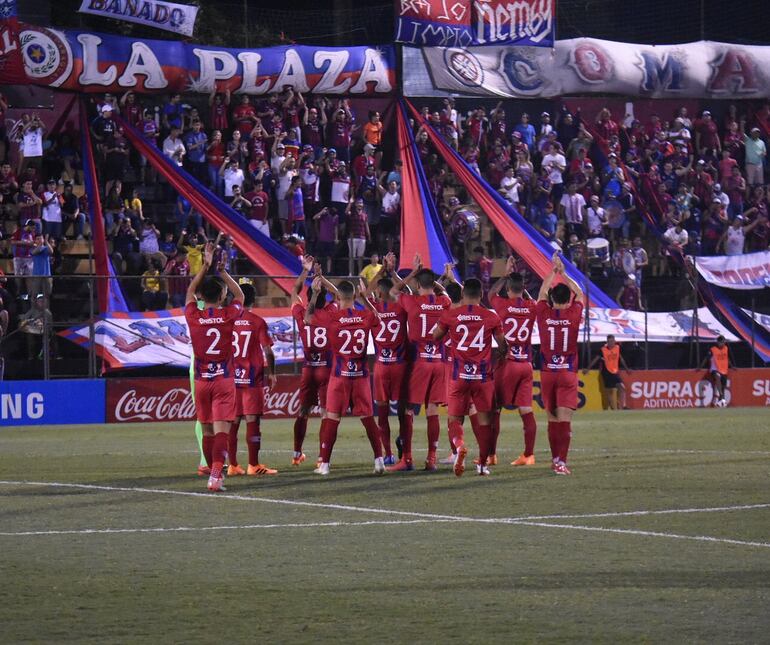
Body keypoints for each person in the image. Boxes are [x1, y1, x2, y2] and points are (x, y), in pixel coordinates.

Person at [184, 241, 244, 491]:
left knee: (207, 430)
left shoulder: (193, 315)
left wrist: (205, 267)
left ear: (200, 298)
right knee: (222, 430)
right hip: (223, 379)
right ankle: (216, 476)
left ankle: (213, 474)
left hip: (201, 381)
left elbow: (189, 293)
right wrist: (222, 272)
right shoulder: (229, 314)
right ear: (221, 296)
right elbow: (240, 295)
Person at [308, 277, 384, 476]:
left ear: (338, 296)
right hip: (360, 375)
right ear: (355, 296)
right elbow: (378, 318)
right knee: (368, 418)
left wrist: (315, 294)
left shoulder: (332, 317)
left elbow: (308, 318)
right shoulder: (364, 315)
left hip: (339, 375)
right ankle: (379, 460)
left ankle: (324, 464)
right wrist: (365, 299)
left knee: (332, 418)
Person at [433, 278, 506, 477]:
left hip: (459, 375)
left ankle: (459, 446)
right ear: (481, 295)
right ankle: (482, 465)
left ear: (463, 296)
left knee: (454, 419)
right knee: (484, 422)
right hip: (482, 378)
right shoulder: (491, 317)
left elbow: (435, 336)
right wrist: (497, 356)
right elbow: (503, 345)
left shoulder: (451, 315)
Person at [390, 257, 450, 471]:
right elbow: (445, 294)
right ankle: (431, 459)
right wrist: (434, 281)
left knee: (408, 409)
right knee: (432, 410)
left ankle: (406, 459)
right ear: (433, 285)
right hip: (439, 362)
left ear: (416, 284)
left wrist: (412, 273)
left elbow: (394, 291)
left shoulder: (412, 301)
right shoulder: (444, 302)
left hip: (419, 361)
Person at [535, 253, 586, 475]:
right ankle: (561, 463)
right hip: (567, 371)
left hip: (547, 372)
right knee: (565, 419)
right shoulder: (574, 313)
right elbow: (580, 293)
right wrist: (564, 273)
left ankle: (555, 458)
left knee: (552, 418)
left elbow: (542, 293)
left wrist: (552, 272)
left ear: (553, 299)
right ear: (569, 300)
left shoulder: (544, 313)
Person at [489, 261, 538, 466]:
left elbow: (491, 293)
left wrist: (504, 276)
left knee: (494, 410)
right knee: (526, 410)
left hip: (506, 363)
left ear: (508, 289)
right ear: (523, 290)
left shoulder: (501, 304)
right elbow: (532, 300)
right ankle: (528, 455)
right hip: (525, 364)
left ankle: (491, 455)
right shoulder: (531, 307)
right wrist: (522, 290)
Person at [289, 257, 337, 466]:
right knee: (327, 413)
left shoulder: (300, 313)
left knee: (303, 411)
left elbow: (294, 290)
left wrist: (306, 272)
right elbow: (338, 294)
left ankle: (297, 453)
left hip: (309, 369)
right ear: (324, 300)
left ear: (306, 300)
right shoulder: (330, 313)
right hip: (326, 370)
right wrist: (321, 277)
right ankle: (321, 457)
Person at [227, 283, 278, 477]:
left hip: (231, 377)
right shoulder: (257, 321)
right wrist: (272, 373)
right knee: (252, 420)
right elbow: (268, 350)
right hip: (252, 377)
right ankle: (253, 465)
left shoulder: (228, 320)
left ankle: (232, 465)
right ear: (254, 299)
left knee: (233, 421)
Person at [364, 254, 410, 466]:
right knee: (402, 411)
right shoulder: (401, 308)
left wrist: (383, 271)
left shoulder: (372, 310)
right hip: (400, 366)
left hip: (382, 366)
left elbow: (366, 291)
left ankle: (388, 452)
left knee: (381, 412)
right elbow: (407, 292)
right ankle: (405, 450)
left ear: (378, 292)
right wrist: (392, 272)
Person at [584, 335, 631, 410]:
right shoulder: (603, 350)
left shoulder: (617, 348)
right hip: (606, 372)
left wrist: (627, 369)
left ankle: (622, 405)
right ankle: (612, 407)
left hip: (615, 372)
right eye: (609, 342)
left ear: (614, 341)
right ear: (607, 342)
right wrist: (588, 368)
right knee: (609, 391)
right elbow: (595, 359)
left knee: (622, 387)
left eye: (612, 341)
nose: (611, 343)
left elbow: (620, 358)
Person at [698, 335, 733, 406]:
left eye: (723, 342)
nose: (722, 344)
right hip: (715, 369)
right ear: (718, 342)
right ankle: (721, 395)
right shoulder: (713, 349)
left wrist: (732, 366)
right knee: (717, 376)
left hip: (724, 370)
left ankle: (721, 402)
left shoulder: (726, 348)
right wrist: (700, 367)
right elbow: (706, 358)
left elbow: (727, 358)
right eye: (721, 342)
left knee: (723, 386)